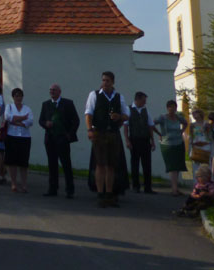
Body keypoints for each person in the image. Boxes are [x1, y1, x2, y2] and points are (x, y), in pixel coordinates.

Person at [84, 70, 128, 207]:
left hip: (113, 133)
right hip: (99, 132)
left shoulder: (119, 97)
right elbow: (88, 113)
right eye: (103, 80)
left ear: (113, 82)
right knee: (100, 164)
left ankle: (109, 193)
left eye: (107, 80)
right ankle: (100, 193)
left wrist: (119, 116)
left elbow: (126, 115)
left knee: (111, 165)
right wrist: (89, 129)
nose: (105, 83)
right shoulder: (94, 95)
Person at [39, 83, 79, 198]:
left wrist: (69, 135)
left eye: (54, 90)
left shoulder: (68, 103)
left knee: (66, 164)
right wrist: (45, 124)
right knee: (52, 164)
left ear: (59, 92)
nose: (52, 92)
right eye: (50, 90)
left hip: (62, 138)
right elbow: (41, 120)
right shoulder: (46, 104)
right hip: (50, 138)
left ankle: (70, 190)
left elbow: (76, 120)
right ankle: (53, 188)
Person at [124, 91, 158, 194]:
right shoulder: (128, 109)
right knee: (135, 163)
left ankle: (148, 187)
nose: (144, 103)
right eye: (143, 101)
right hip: (134, 139)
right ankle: (136, 186)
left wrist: (152, 140)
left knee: (147, 164)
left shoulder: (145, 110)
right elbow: (126, 126)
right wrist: (127, 140)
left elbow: (150, 126)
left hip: (145, 139)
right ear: (137, 100)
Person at [153, 100, 188, 196]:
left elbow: (185, 123)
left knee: (177, 166)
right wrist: (159, 133)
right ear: (167, 108)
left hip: (179, 143)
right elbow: (151, 124)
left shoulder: (178, 117)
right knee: (172, 167)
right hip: (168, 145)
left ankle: (176, 188)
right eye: (171, 107)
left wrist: (182, 131)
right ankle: (174, 189)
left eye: (174, 107)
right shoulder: (162, 118)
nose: (173, 109)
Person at [1, 88, 32, 193]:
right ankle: (13, 183)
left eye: (20, 96)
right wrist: (22, 118)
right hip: (11, 136)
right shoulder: (9, 107)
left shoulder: (27, 108)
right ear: (13, 97)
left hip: (25, 137)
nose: (18, 98)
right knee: (12, 161)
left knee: (23, 162)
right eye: (16, 96)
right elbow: (7, 117)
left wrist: (16, 121)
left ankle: (24, 184)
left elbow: (30, 121)